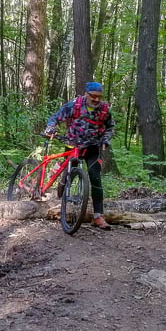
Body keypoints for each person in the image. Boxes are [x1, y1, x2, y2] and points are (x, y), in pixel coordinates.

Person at [44, 81, 115, 230]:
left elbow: (110, 127)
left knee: (95, 177)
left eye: (99, 97)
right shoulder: (74, 105)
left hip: (92, 147)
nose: (96, 99)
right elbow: (56, 117)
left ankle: (97, 216)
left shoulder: (104, 110)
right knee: (69, 174)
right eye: (93, 96)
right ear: (86, 94)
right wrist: (51, 127)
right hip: (72, 144)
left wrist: (105, 139)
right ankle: (62, 200)